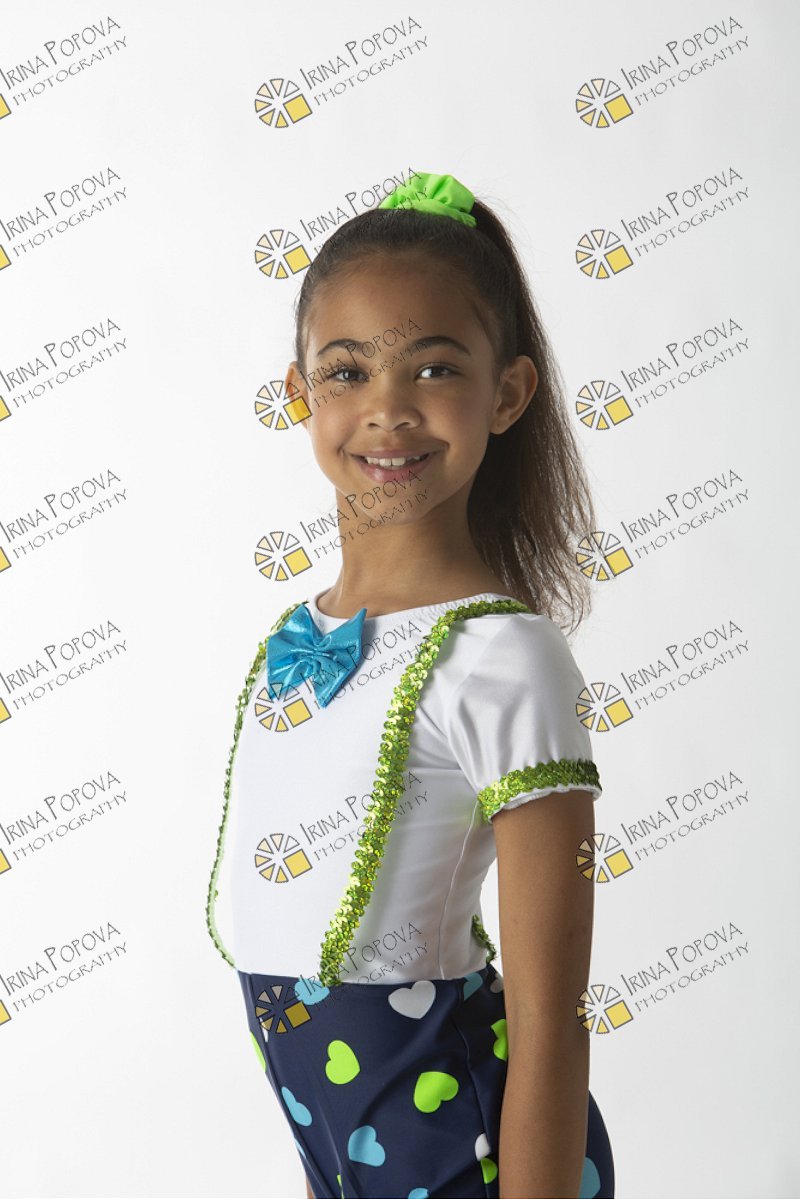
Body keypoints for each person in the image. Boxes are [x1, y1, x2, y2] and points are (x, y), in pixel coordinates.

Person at [206, 170, 615, 1199]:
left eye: (433, 368)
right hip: (338, 1148)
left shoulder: (502, 655)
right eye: (346, 371)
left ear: (506, 393)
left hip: (466, 1153)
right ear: (299, 393)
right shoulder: (295, 642)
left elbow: (551, 1015)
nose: (387, 410)